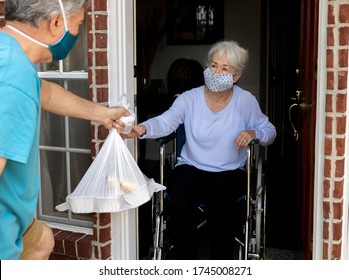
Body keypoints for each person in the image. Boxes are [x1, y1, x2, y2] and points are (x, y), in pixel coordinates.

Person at [122, 40, 276, 260]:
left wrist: (254, 133)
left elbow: (269, 131)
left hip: (229, 170)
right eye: (214, 65)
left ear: (236, 76)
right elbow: (166, 122)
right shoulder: (189, 98)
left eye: (225, 68)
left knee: (220, 202)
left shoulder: (245, 101)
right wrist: (142, 128)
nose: (216, 72)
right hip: (192, 166)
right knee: (179, 199)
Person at [0, 0, 130, 260]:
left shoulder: (9, 53)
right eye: (79, 24)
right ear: (56, 22)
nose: (76, 34)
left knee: (42, 240)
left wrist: (102, 114)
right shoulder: (12, 80)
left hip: (16, 219)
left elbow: (42, 92)